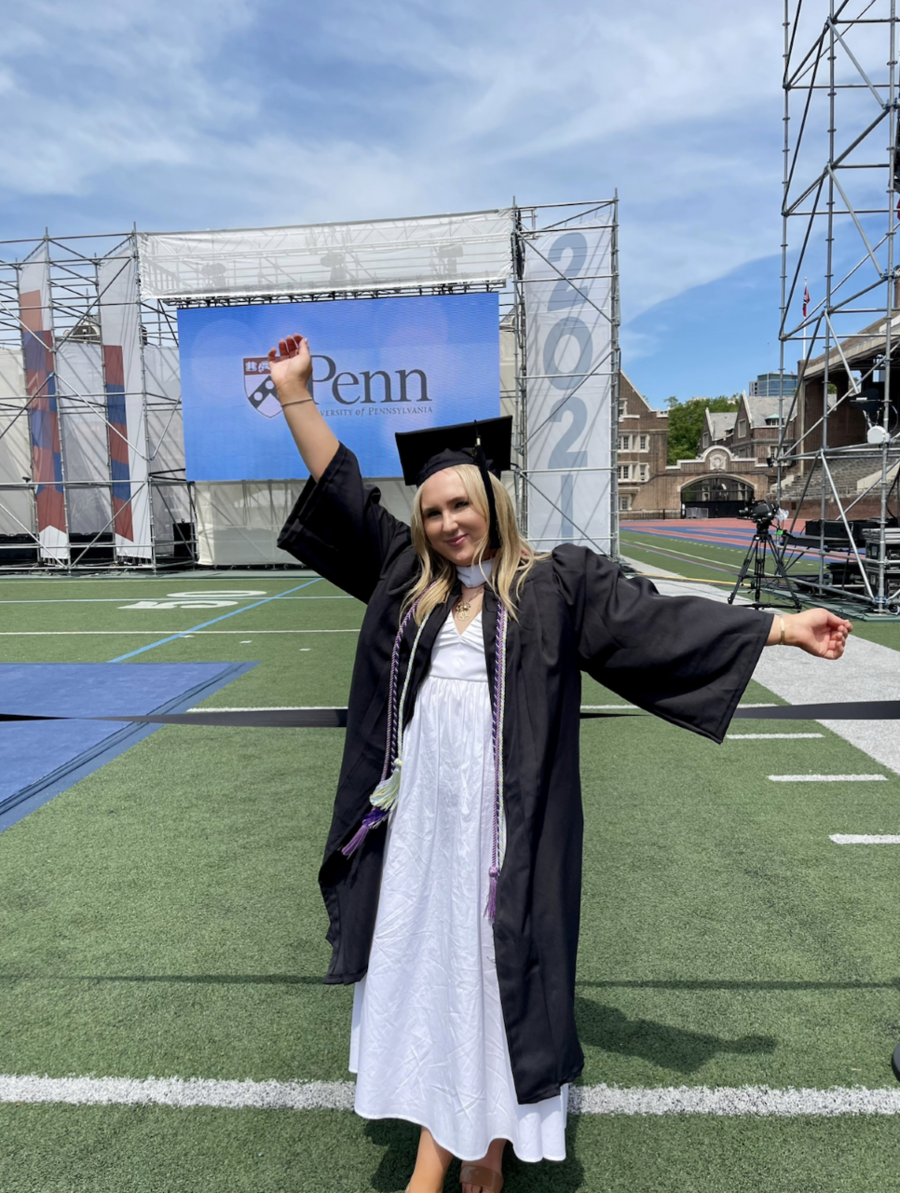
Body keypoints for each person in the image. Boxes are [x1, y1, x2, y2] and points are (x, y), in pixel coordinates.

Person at [268, 333, 852, 1193]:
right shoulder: (408, 579)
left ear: (492, 503)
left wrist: (780, 627)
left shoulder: (554, 583)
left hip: (508, 834)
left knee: (492, 969)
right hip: (427, 831)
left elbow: (659, 630)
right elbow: (344, 495)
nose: (447, 524)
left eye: (460, 506)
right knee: (436, 971)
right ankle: (470, 1143)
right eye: (432, 513)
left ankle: (473, 1148)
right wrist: (296, 396)